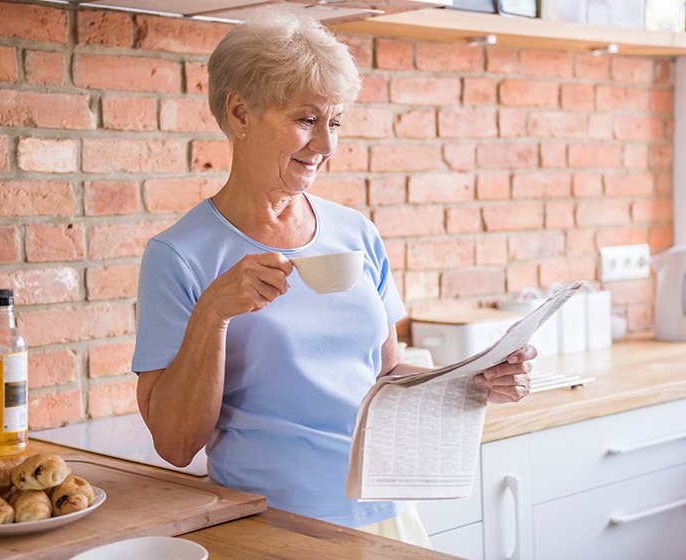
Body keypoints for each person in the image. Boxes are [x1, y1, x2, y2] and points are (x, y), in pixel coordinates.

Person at [131, 8, 535, 545]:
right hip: (274, 526)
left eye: (335, 122)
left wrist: (476, 378)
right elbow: (175, 445)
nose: (326, 147)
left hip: (384, 513)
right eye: (305, 119)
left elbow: (384, 374)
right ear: (239, 112)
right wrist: (213, 314)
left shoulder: (355, 232)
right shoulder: (179, 255)